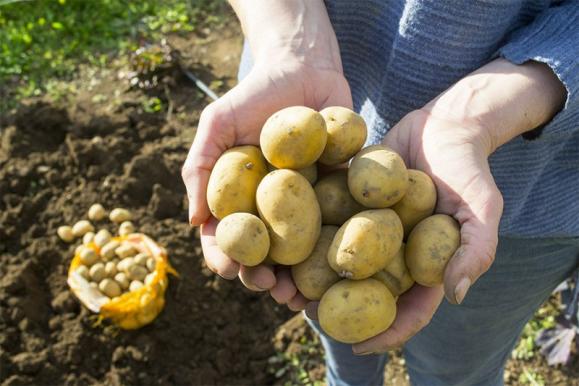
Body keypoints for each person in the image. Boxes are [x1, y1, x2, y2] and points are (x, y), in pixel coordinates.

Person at [182, 1, 579, 385]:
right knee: (334, 328)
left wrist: (475, 119)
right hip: (296, 76)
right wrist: (288, 37)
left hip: (532, 190)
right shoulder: (299, 185)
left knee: (456, 369)